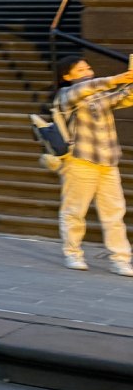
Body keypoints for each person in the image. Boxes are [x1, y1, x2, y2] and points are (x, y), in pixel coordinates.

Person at [51, 55, 133, 276]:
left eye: (88, 68)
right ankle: (73, 252)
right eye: (80, 70)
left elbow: (123, 98)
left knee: (115, 213)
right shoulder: (66, 94)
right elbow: (85, 89)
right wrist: (119, 77)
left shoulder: (100, 95)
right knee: (75, 211)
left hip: (108, 161)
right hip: (80, 160)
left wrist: (130, 83)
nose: (87, 71)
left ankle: (121, 258)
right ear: (66, 77)